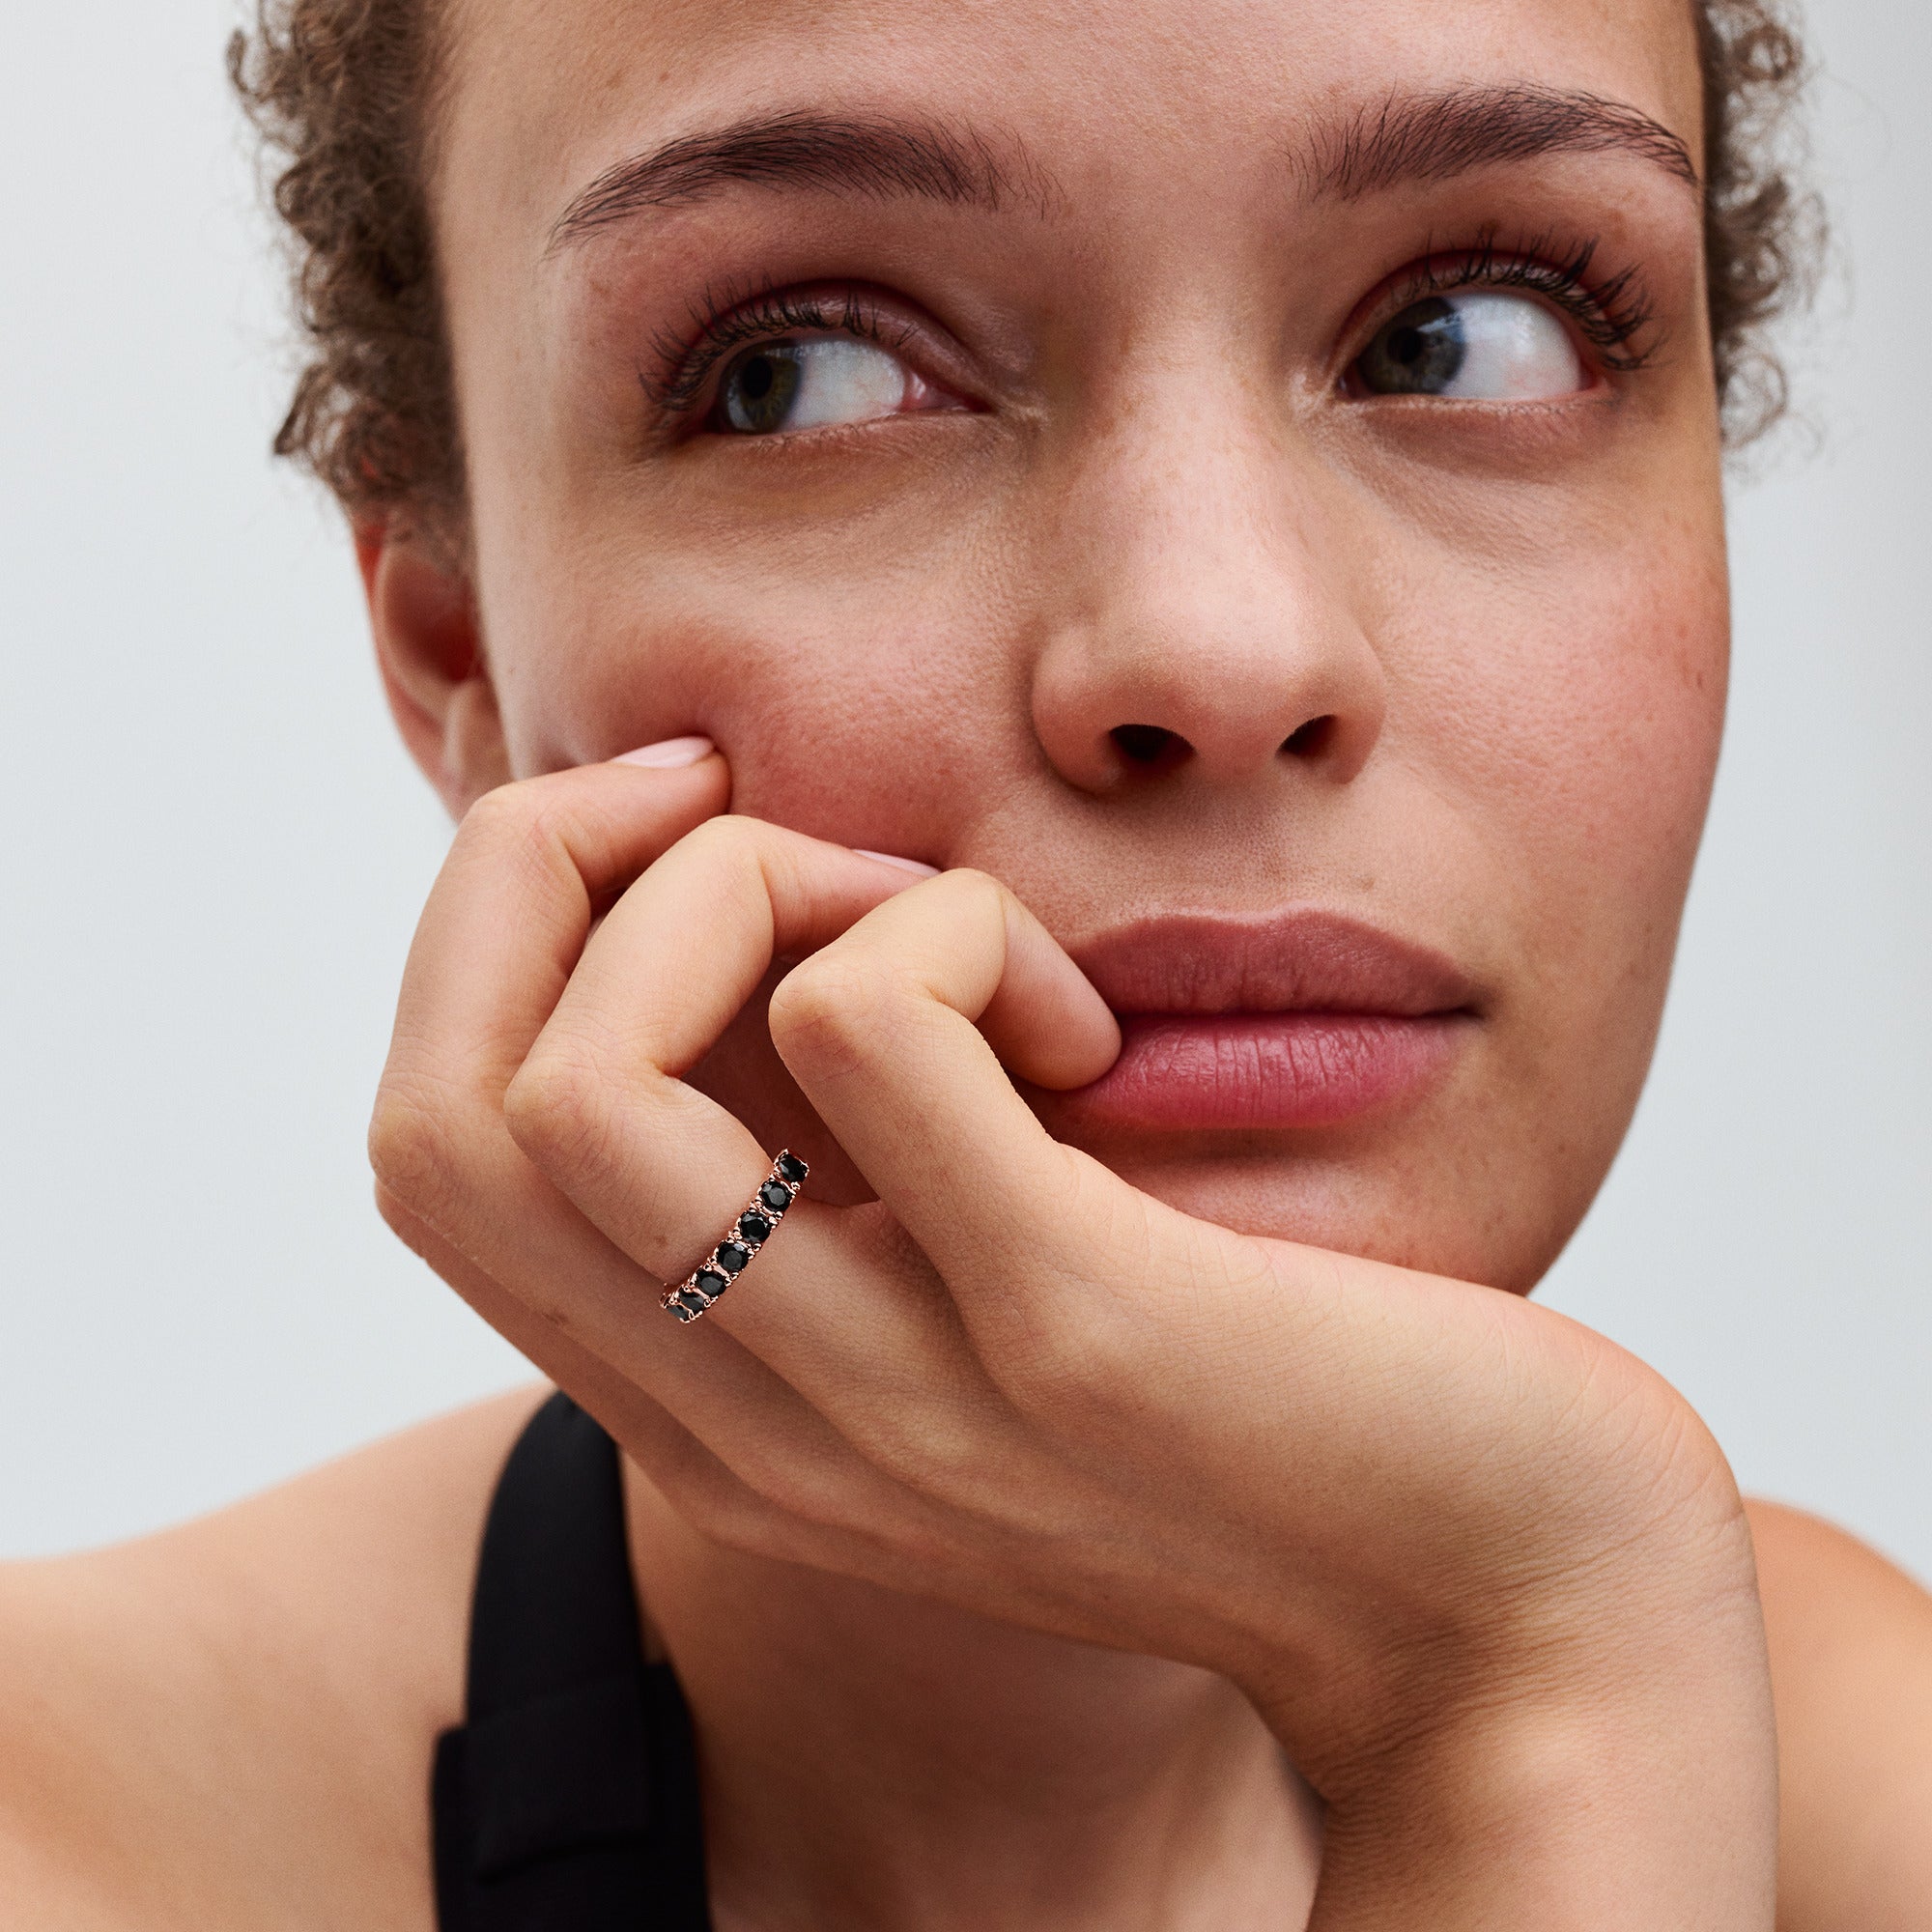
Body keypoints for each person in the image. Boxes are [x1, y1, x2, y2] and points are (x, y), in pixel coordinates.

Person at [3, 0, 1928, 1923]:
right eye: (808, 374)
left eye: (1464, 333)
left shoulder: (1837, 1776)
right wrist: (1510, 1708)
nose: (1217, 651)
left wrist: (1539, 1677)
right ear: (458, 655)